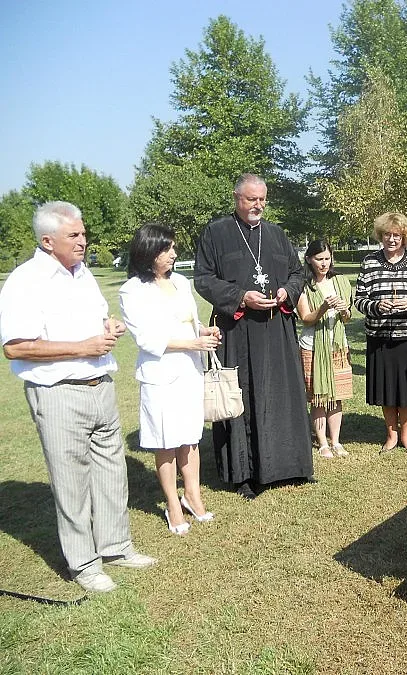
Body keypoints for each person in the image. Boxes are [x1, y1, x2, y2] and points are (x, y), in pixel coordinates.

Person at [0, 201, 156, 592]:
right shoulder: (26, 280)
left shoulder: (83, 275)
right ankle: (84, 564)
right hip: (57, 393)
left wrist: (107, 326)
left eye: (84, 233)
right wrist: (84, 346)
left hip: (99, 385)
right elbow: (16, 347)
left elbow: (91, 325)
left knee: (111, 471)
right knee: (70, 481)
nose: (83, 241)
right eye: (75, 235)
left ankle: (116, 546)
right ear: (48, 240)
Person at [194, 174, 314, 500]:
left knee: (279, 396)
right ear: (236, 198)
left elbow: (297, 273)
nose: (258, 205)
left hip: (276, 329)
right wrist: (240, 296)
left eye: (262, 199)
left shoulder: (275, 234)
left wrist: (286, 291)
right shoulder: (216, 233)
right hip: (238, 330)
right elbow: (203, 280)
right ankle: (244, 474)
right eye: (251, 199)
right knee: (243, 399)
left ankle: (288, 466)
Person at [119, 223, 220, 535]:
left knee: (190, 436)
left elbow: (189, 319)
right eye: (167, 250)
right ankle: (172, 505)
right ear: (148, 253)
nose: (174, 254)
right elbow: (147, 339)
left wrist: (203, 331)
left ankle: (193, 495)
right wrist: (193, 343)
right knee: (165, 440)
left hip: (189, 371)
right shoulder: (132, 291)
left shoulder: (180, 281)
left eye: (174, 248)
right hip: (160, 376)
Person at [355, 213, 407, 452]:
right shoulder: (369, 262)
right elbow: (359, 300)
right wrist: (376, 306)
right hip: (379, 336)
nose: (392, 239)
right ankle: (391, 435)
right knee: (386, 387)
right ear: (381, 235)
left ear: (405, 237)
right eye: (387, 234)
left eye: (397, 235)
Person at [296, 240, 353, 458]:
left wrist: (343, 310)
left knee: (337, 395)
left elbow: (347, 318)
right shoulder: (304, 285)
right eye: (319, 259)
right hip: (312, 347)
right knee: (318, 396)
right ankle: (322, 443)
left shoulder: (340, 281)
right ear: (309, 259)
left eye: (327, 258)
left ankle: (336, 441)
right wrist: (323, 308)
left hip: (338, 345)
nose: (324, 263)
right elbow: (306, 319)